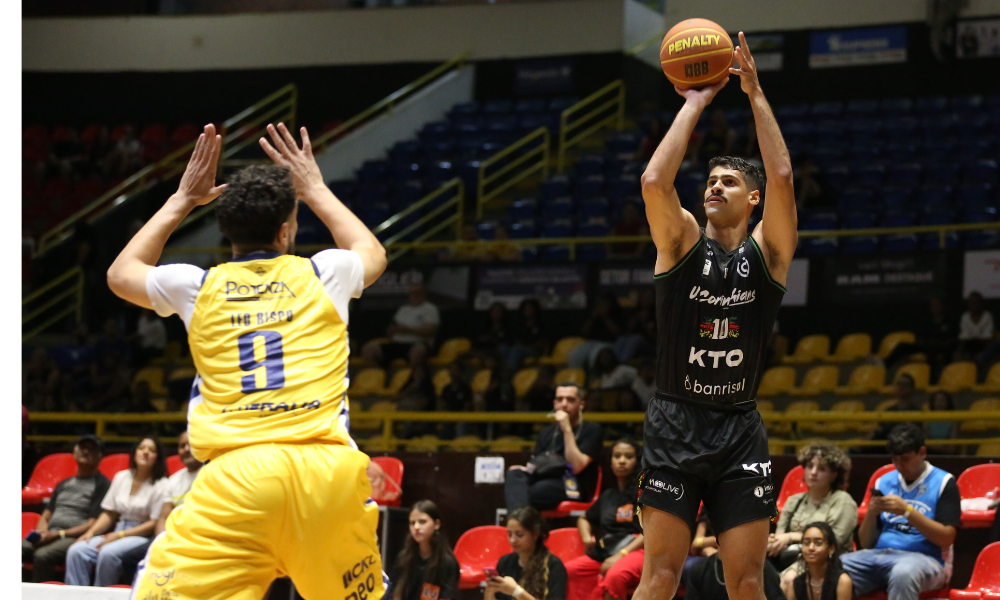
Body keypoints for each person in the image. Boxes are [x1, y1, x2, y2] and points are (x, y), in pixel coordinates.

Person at [105, 123, 388, 600]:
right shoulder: (325, 273)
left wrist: (183, 199)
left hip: (237, 479)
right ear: (286, 229)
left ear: (226, 231)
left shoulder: (194, 285)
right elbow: (371, 251)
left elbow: (120, 274)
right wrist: (314, 188)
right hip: (324, 472)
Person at [634, 34, 799, 600]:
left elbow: (781, 177)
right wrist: (695, 102)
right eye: (710, 181)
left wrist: (753, 92)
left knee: (747, 580)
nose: (714, 186)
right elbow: (655, 182)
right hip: (674, 422)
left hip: (738, 429)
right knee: (660, 577)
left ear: (752, 202)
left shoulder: (769, 255)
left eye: (728, 182)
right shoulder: (679, 244)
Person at [841, 424, 961, 600]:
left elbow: (946, 538)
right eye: (894, 459)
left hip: (927, 560)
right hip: (879, 555)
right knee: (834, 567)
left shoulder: (944, 482)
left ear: (922, 452)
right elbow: (866, 544)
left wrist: (907, 511)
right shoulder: (883, 482)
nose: (898, 465)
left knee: (903, 573)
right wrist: (872, 513)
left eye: (905, 459)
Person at [65, 436, 170, 587]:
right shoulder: (121, 477)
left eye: (151, 450)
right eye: (141, 448)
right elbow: (110, 513)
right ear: (134, 453)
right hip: (118, 528)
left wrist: (118, 535)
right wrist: (91, 532)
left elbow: (153, 524)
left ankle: (101, 597)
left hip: (140, 534)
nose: (145, 452)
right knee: (76, 551)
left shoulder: (163, 484)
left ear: (157, 457)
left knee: (108, 554)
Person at [22, 434, 111, 583]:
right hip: (51, 533)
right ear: (75, 451)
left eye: (91, 450)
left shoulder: (102, 484)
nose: (85, 452)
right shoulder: (64, 483)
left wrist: (57, 534)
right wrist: (42, 532)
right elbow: (46, 515)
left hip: (74, 536)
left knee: (43, 555)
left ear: (100, 457)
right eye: (82, 448)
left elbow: (92, 524)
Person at [564, 438, 644, 600]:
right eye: (617, 456)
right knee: (569, 570)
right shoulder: (608, 496)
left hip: (638, 550)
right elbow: (584, 518)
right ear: (611, 461)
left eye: (628, 457)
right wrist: (587, 538)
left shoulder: (645, 494)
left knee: (615, 575)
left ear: (637, 461)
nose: (622, 461)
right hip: (609, 549)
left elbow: (650, 532)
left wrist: (621, 555)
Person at [505, 383, 604, 512]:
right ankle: (522, 524)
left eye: (570, 399)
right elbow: (538, 462)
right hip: (545, 478)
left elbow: (576, 466)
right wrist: (526, 469)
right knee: (514, 474)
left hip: (573, 484)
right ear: (554, 403)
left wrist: (566, 428)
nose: (564, 404)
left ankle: (520, 524)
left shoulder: (592, 430)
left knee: (532, 492)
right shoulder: (547, 432)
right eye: (559, 399)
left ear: (581, 405)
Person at [770, 444, 857, 587]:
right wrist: (774, 542)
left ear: (834, 475)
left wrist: (791, 536)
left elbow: (833, 541)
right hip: (790, 556)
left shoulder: (843, 501)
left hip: (827, 561)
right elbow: (780, 536)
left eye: (821, 469)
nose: (813, 472)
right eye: (810, 466)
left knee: (790, 579)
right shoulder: (794, 501)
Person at [486, 507, 568, 600]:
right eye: (509, 534)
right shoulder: (505, 561)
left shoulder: (554, 565)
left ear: (535, 534)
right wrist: (490, 590)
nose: (512, 540)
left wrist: (516, 591)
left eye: (519, 535)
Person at [389, 500, 460, 600]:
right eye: (412, 523)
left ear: (436, 524)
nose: (416, 527)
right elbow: (395, 594)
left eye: (422, 522)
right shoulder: (403, 558)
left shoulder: (448, 563)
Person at [363, 283, 440, 367]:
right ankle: (375, 377)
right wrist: (392, 330)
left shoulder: (430, 309)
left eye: (417, 292)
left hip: (417, 343)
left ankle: (413, 377)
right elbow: (392, 328)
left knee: (417, 351)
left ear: (424, 294)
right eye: (412, 293)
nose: (414, 295)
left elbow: (430, 331)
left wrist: (406, 330)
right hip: (397, 343)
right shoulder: (403, 309)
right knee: (369, 349)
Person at [882, 299, 956, 378]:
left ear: (943, 307)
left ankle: (933, 381)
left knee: (934, 354)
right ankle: (883, 365)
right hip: (926, 345)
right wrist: (923, 342)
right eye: (933, 305)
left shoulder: (949, 322)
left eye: (937, 305)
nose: (935, 308)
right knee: (902, 346)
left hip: (940, 346)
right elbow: (919, 336)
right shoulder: (927, 321)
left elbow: (951, 339)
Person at [784, 523, 853, 600]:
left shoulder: (843, 581)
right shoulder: (794, 584)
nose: (811, 548)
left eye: (818, 543)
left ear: (831, 549)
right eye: (806, 543)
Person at [154, 431, 204, 535]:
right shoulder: (172, 480)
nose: (187, 449)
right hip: (175, 537)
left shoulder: (214, 473)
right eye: (182, 446)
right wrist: (161, 540)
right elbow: (163, 518)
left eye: (191, 444)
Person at [957, 291, 994, 358]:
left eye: (976, 302)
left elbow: (987, 336)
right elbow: (964, 336)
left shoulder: (987, 316)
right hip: (968, 346)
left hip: (983, 345)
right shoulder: (965, 316)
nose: (974, 304)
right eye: (971, 302)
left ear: (981, 303)